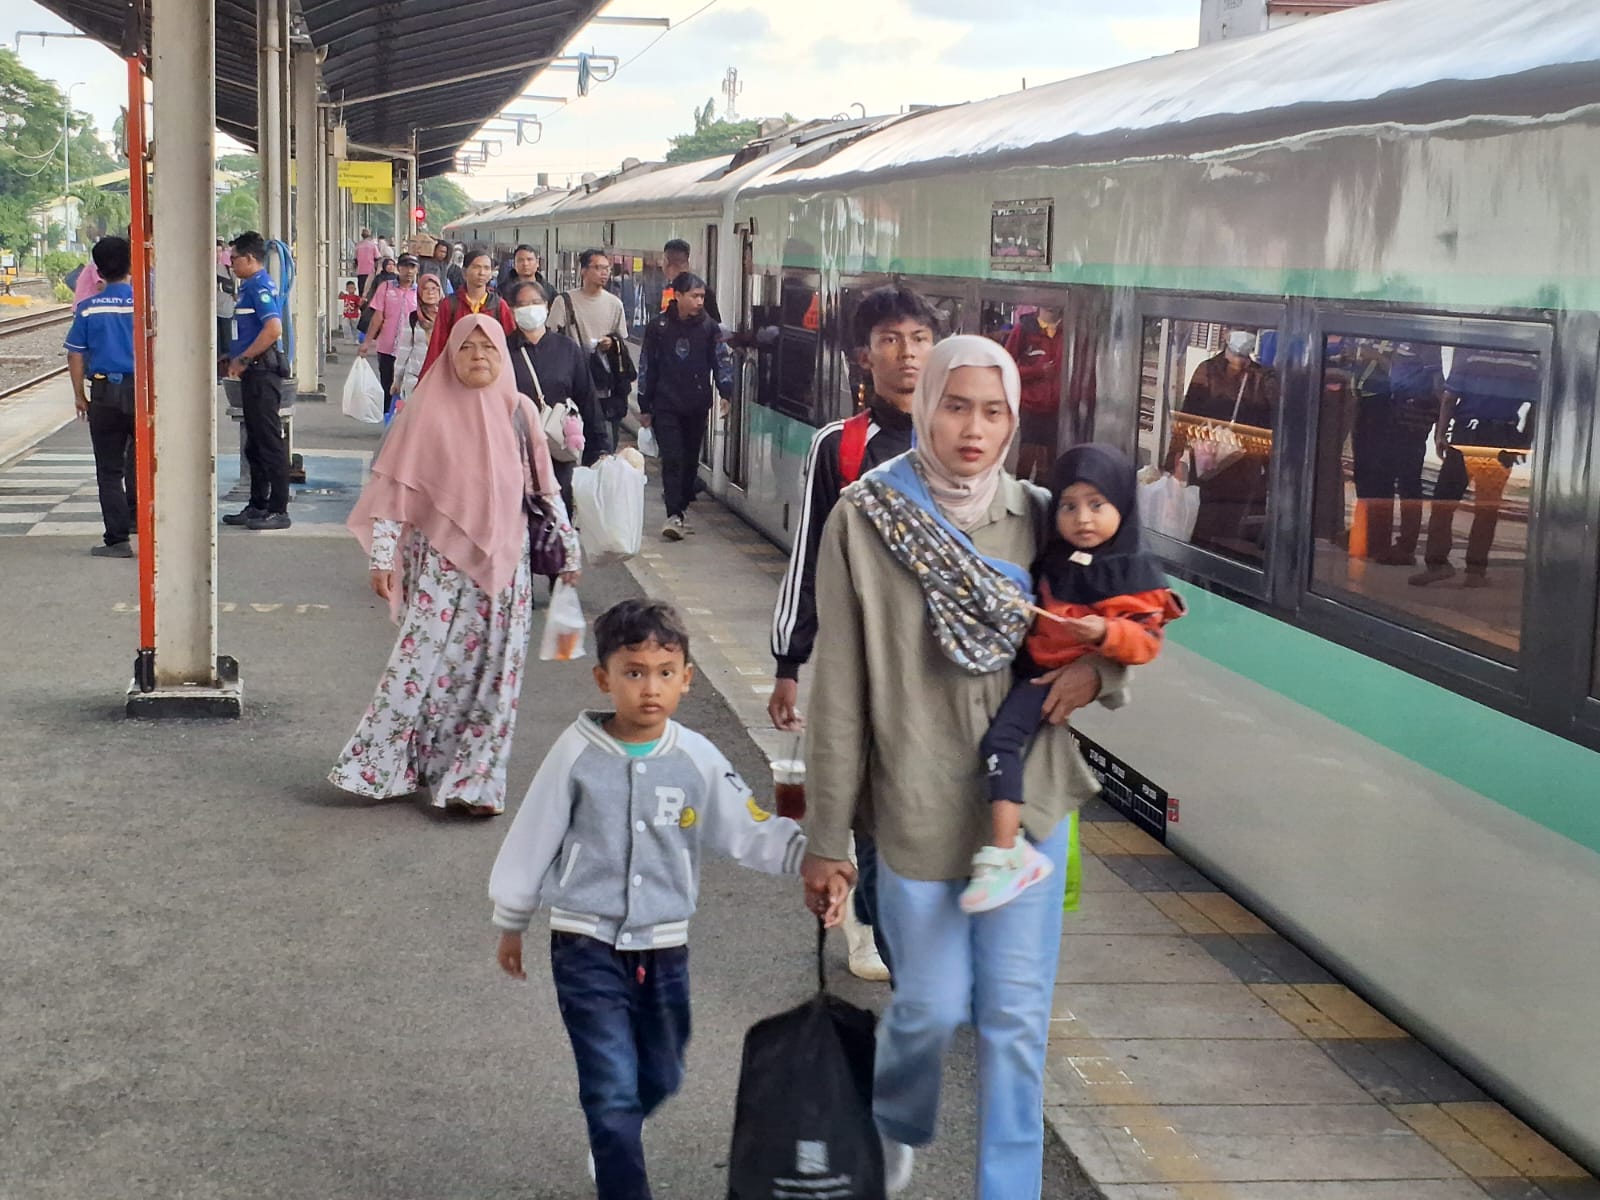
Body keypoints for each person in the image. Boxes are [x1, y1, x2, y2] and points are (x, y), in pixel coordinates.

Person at [802, 335, 1128, 1198]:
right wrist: (826, 837)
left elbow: (1127, 609)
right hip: (913, 806)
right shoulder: (864, 518)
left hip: (1026, 804)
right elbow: (837, 689)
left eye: (993, 411)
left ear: (1013, 419)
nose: (973, 430)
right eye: (955, 407)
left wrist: (1100, 673)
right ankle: (897, 1116)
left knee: (1016, 1022)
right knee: (931, 1006)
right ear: (925, 406)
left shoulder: (1044, 514)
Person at [489, 598, 807, 1200]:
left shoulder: (696, 757)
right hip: (584, 942)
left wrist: (809, 859)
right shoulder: (576, 752)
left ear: (687, 679)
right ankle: (617, 1154)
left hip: (665, 948)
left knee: (661, 1072)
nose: (650, 688)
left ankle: (615, 1134)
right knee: (609, 1087)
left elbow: (746, 827)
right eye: (633, 673)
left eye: (665, 672)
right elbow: (534, 833)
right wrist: (513, 917)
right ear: (603, 678)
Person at [329, 316, 581, 815]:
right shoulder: (425, 412)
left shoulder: (520, 411)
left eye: (489, 347)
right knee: (423, 667)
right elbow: (394, 490)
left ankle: (476, 784)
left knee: (496, 673)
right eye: (467, 347)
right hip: (439, 566)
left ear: (502, 356)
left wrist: (568, 548)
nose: (478, 356)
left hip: (506, 565)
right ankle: (390, 765)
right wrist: (382, 556)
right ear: (450, 355)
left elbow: (544, 487)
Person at [768, 284, 941, 982]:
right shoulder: (840, 447)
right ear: (863, 356)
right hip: (864, 664)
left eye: (920, 340)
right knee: (870, 805)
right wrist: (789, 661)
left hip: (944, 670)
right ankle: (875, 929)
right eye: (890, 341)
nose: (907, 355)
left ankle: (903, 928)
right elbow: (808, 556)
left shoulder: (962, 436)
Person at [966, 444, 1183, 912]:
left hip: (1043, 679)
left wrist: (1105, 633)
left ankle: (1006, 852)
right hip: (1024, 668)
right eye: (1068, 506)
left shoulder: (1132, 571)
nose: (1082, 519)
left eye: (1097, 504)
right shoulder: (1056, 554)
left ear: (1122, 506)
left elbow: (1147, 640)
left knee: (1001, 742)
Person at [1409, 346, 1538, 589]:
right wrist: (1524, 441)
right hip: (1501, 438)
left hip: (1465, 435)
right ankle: (1476, 572)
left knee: (1444, 501)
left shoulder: (1471, 353)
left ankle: (1438, 564)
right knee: (1487, 507)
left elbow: (1450, 398)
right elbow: (1535, 405)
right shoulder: (1527, 359)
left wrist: (1440, 434)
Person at [637, 272, 732, 542]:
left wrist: (726, 391)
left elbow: (721, 361)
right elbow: (647, 365)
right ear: (677, 295)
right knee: (673, 458)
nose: (699, 301)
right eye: (694, 296)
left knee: (690, 461)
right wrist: (645, 404)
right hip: (665, 404)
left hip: (697, 405)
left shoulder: (709, 328)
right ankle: (674, 515)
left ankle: (682, 504)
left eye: (702, 296)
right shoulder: (658, 327)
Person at [506, 279, 608, 520]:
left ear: (547, 306)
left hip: (557, 448)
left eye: (535, 302)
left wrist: (600, 446)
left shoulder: (567, 348)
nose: (529, 309)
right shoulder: (504, 349)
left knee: (558, 515)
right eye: (522, 304)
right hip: (514, 450)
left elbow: (586, 396)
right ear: (512, 310)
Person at [63, 235, 138, 559]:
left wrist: (80, 395)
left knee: (109, 470)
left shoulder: (88, 309)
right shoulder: (145, 305)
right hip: (141, 391)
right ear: (131, 265)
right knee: (144, 461)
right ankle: (147, 525)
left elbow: (75, 355)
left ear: (98, 270)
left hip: (105, 394)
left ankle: (117, 540)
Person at [1171, 329, 1278, 554]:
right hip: (1206, 464)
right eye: (1241, 330)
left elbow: (1270, 427)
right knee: (1201, 525)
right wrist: (1173, 459)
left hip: (1243, 471)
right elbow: (1187, 416)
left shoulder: (1263, 377)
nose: (1245, 335)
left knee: (1231, 535)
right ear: (1226, 335)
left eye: (1250, 331)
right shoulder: (1207, 370)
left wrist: (1271, 474)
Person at [224, 231, 292, 531]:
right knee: (254, 445)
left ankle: (278, 508)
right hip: (252, 372)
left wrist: (244, 358)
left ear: (250, 258)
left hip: (262, 372)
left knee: (269, 442)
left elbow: (273, 329)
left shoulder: (259, 286)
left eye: (234, 258)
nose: (231, 264)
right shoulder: (248, 286)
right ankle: (257, 504)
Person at [418, 247, 516, 378]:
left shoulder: (499, 305)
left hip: (490, 372)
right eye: (476, 267)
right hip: (457, 372)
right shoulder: (450, 304)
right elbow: (437, 344)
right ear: (464, 272)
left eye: (487, 268)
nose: (482, 272)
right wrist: (427, 379)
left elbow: (510, 343)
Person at [1004, 308, 1063, 483]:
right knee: (1027, 457)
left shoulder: (1070, 328)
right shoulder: (1024, 329)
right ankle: (1021, 491)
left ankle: (1046, 493)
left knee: (1051, 462)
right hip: (1031, 406)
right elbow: (1006, 366)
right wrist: (1037, 371)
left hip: (1060, 408)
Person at [359, 253, 420, 413]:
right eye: (405, 266)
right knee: (387, 386)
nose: (409, 271)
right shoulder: (386, 287)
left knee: (408, 387)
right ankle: (388, 419)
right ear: (398, 268)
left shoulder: (420, 292)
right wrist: (366, 342)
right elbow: (377, 317)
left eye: (412, 267)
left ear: (417, 270)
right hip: (387, 347)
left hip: (411, 350)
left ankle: (404, 420)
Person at [549, 248, 628, 366]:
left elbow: (621, 339)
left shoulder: (615, 304)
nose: (604, 272)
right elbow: (550, 336)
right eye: (598, 268)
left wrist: (610, 342)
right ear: (583, 271)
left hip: (603, 369)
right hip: (572, 367)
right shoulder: (563, 301)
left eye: (607, 268)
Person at [391, 273, 443, 408]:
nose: (430, 293)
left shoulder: (447, 316)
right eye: (425, 289)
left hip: (440, 378)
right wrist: (397, 379)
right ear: (419, 292)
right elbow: (404, 350)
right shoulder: (414, 318)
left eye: (434, 289)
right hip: (414, 377)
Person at [659, 238, 720, 324]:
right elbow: (717, 325)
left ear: (666, 261)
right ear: (687, 262)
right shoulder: (704, 290)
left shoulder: (668, 291)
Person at [353, 228, 378, 296]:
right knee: (370, 290)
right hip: (371, 271)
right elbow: (377, 258)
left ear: (362, 235)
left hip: (361, 271)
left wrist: (355, 268)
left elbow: (355, 259)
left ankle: (362, 302)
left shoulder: (358, 245)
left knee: (361, 290)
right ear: (369, 235)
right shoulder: (373, 245)